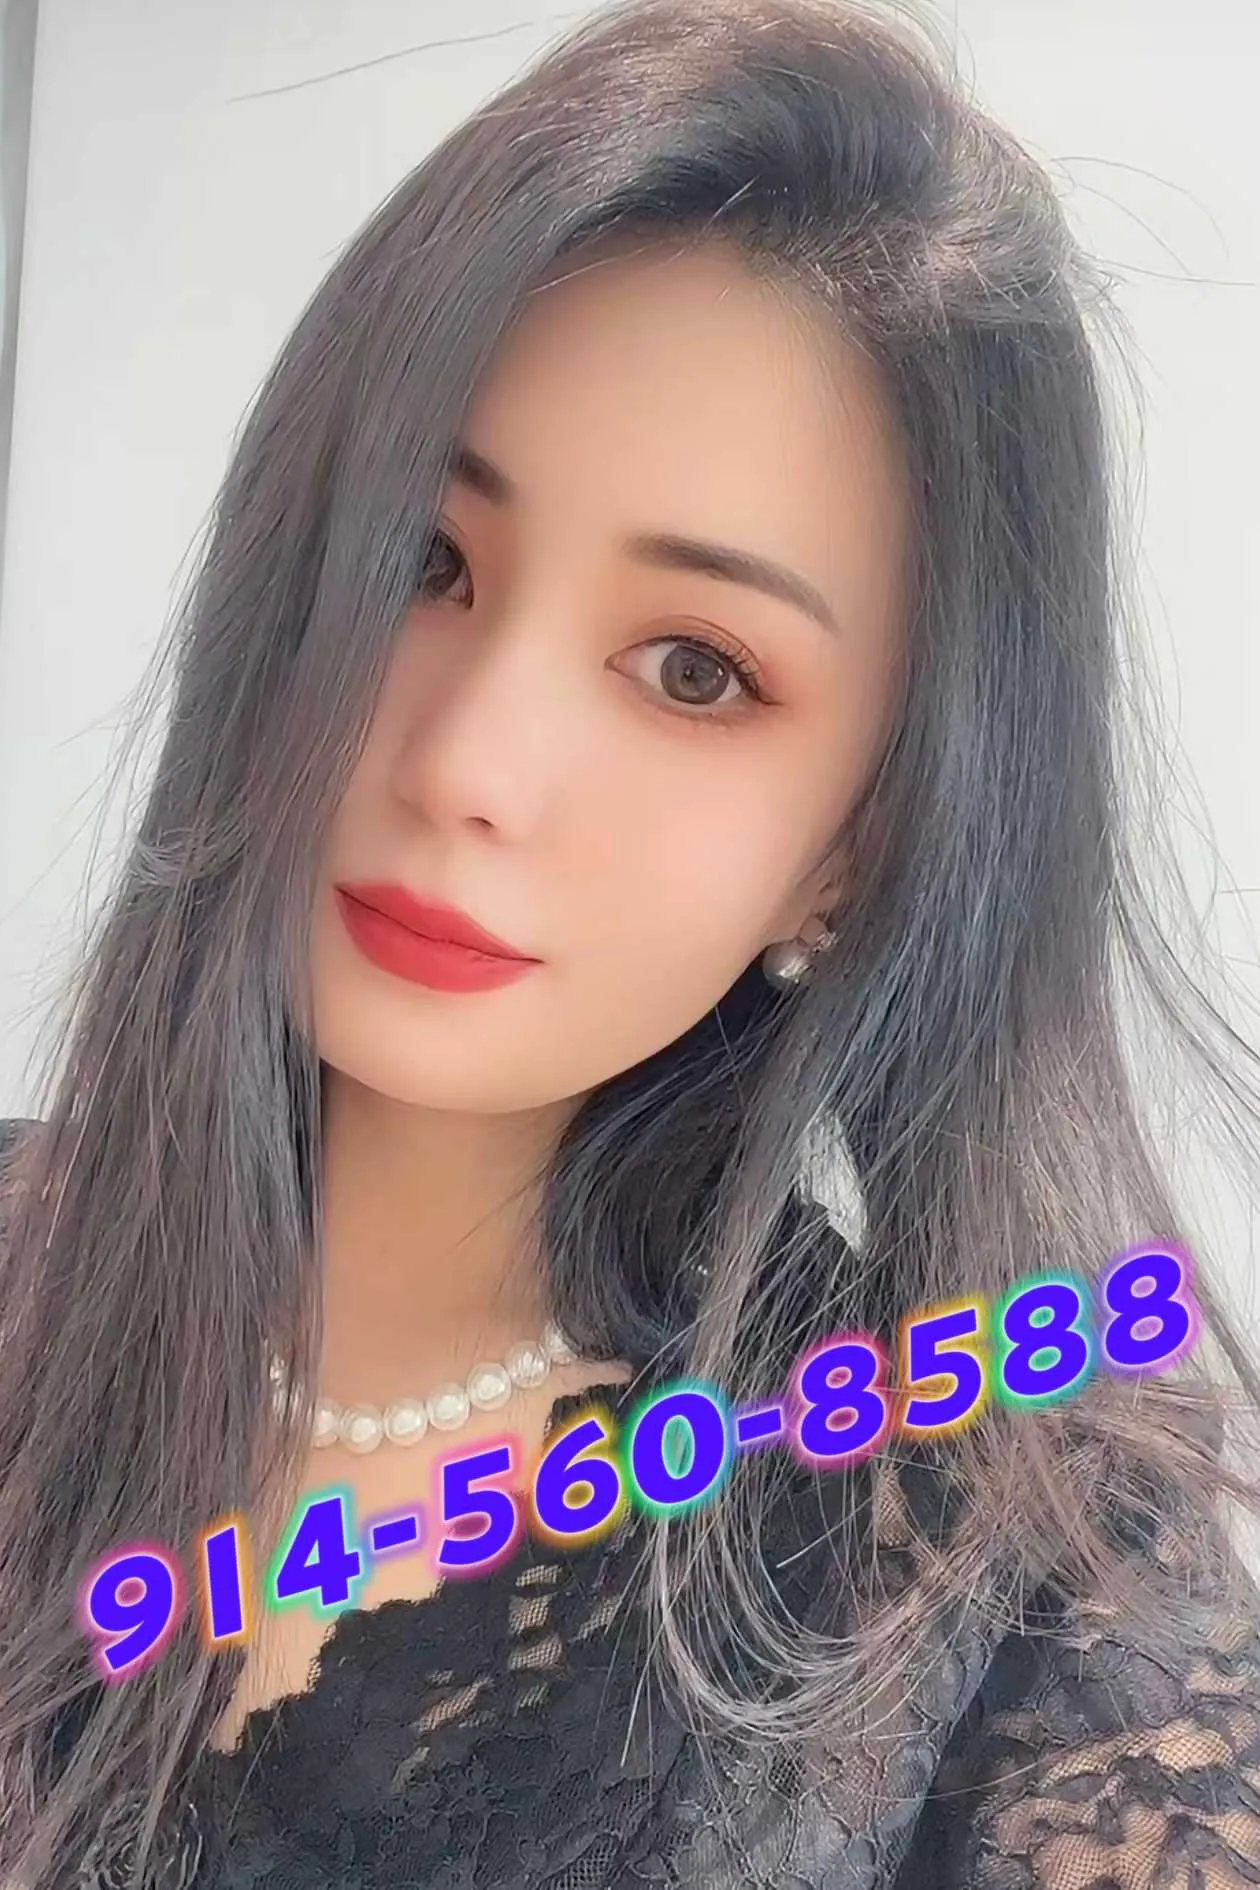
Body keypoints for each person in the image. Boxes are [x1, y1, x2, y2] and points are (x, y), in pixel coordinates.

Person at [2, 0, 1259, 1883]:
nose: (467, 764)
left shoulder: (1022, 1552)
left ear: (859, 844)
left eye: (695, 670)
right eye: (422, 561)